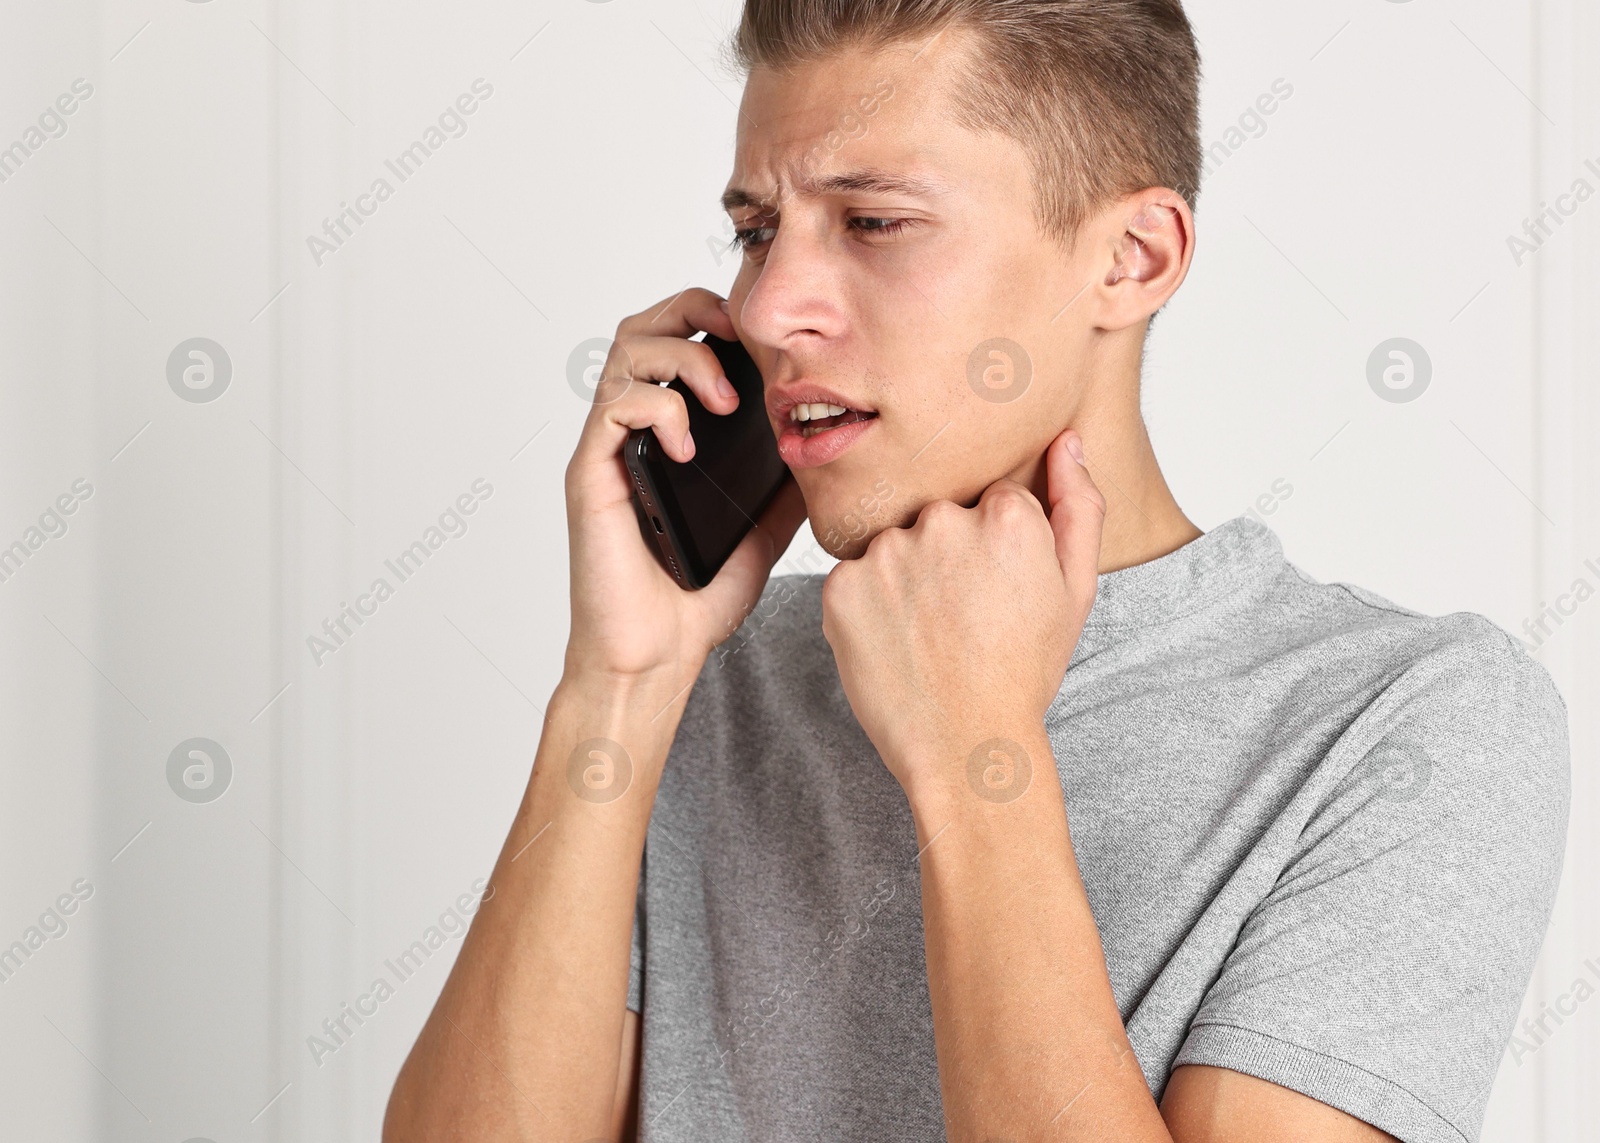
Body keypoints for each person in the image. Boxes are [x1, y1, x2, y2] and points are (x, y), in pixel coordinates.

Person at [383, 2, 1570, 1140]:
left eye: (873, 222)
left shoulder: (1403, 722)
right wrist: (622, 681)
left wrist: (972, 755)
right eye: (755, 231)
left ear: (1130, 258)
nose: (769, 308)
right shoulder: (710, 684)